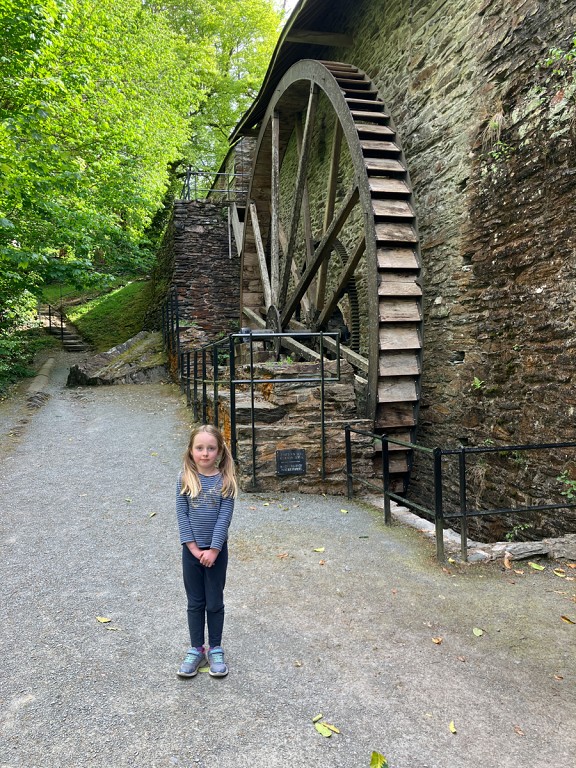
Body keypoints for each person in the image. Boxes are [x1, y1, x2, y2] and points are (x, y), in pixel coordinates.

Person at [175, 424, 237, 679]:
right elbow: (182, 515)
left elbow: (224, 519)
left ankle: (216, 648)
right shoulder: (184, 479)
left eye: (211, 448)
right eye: (199, 448)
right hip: (191, 553)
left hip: (216, 554)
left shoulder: (226, 482)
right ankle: (196, 648)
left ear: (219, 451)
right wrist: (192, 547)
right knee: (195, 602)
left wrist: (213, 549)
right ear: (191, 451)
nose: (205, 453)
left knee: (214, 601)